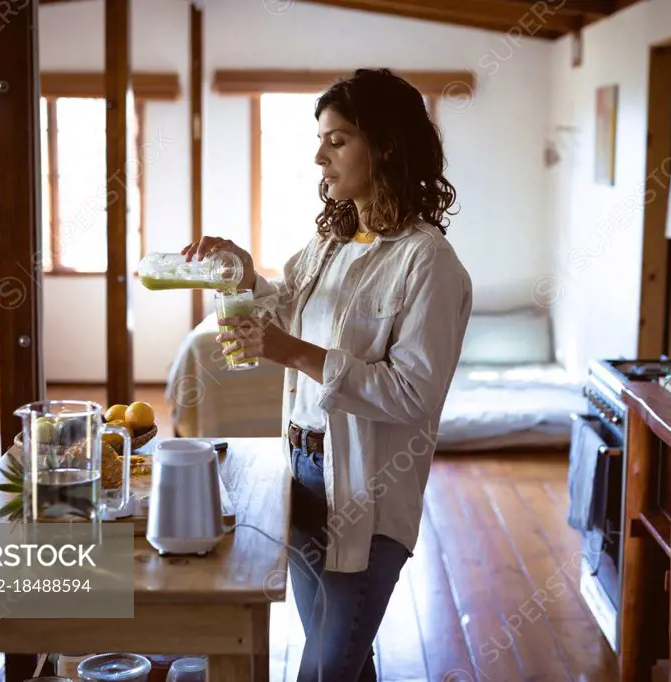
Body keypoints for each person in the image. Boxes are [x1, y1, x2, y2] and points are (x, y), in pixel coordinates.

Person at [181, 67, 472, 682]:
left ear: (386, 145)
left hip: (366, 487)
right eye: (322, 140)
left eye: (337, 140)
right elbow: (284, 304)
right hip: (302, 473)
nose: (320, 156)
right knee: (343, 660)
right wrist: (240, 270)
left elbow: (413, 394)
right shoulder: (333, 242)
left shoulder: (430, 263)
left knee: (322, 669)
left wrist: (290, 352)